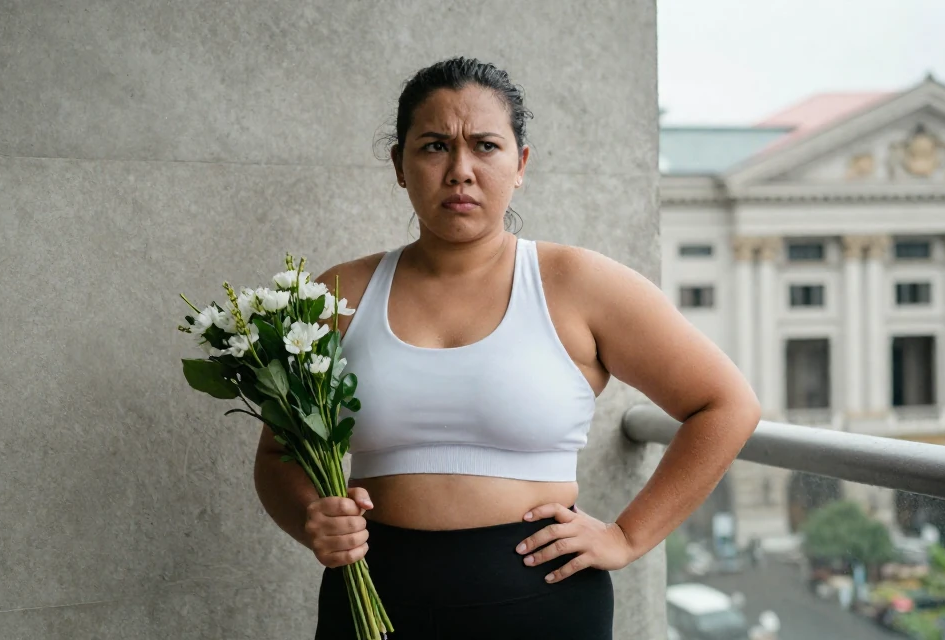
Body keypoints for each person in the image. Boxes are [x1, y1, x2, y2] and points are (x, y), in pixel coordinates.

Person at [253, 56, 760, 639]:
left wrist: (627, 536)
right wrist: (311, 518)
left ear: (520, 164)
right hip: (372, 596)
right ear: (399, 164)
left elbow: (725, 404)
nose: (460, 170)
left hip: (542, 601)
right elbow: (277, 457)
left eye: (486, 146)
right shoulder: (338, 293)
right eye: (434, 146)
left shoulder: (577, 283)